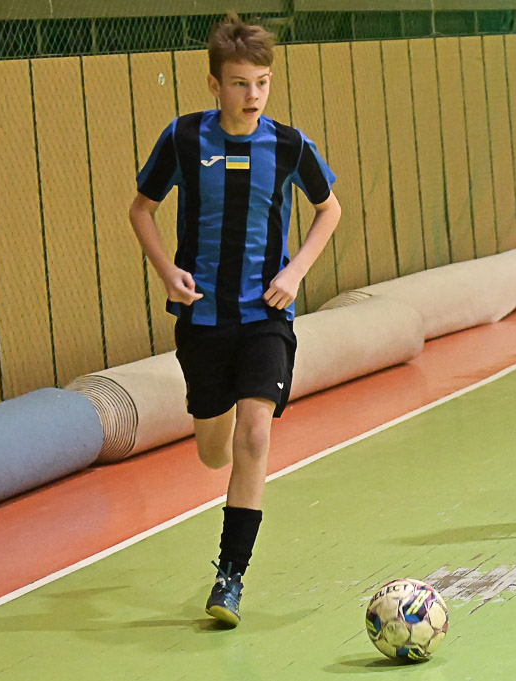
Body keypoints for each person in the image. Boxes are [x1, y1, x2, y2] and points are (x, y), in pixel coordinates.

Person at [129, 12, 341, 627]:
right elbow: (140, 209)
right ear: (215, 85)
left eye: (263, 83)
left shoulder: (290, 145)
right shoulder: (183, 139)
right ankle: (212, 426)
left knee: (255, 435)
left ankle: (229, 578)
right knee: (212, 451)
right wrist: (167, 272)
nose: (253, 96)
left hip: (266, 316)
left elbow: (329, 209)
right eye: (241, 84)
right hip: (203, 320)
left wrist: (295, 272)